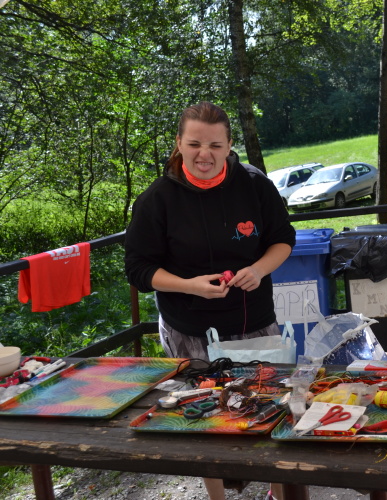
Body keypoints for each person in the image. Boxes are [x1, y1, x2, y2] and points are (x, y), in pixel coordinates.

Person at [125, 101, 295, 500]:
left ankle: (277, 492)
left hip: (255, 324)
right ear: (179, 143)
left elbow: (283, 239)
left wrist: (259, 269)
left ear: (229, 145)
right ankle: (217, 495)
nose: (205, 154)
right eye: (195, 144)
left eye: (216, 145)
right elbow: (138, 269)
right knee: (204, 418)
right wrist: (188, 285)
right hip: (189, 329)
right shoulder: (156, 199)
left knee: (271, 408)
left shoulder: (254, 185)